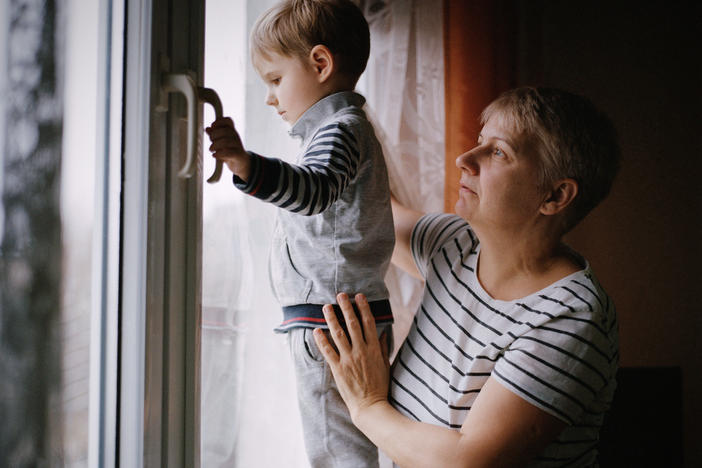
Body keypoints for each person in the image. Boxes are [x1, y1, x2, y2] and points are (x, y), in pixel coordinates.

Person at [314, 87, 621, 467]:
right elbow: (374, 209)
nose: (464, 159)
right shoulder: (455, 244)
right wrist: (335, 111)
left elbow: (466, 462)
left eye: (498, 152)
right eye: (480, 142)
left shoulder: (571, 319)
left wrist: (366, 406)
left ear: (555, 196)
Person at [205, 1, 394, 466]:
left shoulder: (340, 130)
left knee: (336, 451)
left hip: (333, 321)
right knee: (343, 444)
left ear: (320, 64)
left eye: (274, 79)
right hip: (339, 316)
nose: (270, 97)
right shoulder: (343, 131)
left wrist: (247, 166)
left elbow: (313, 191)